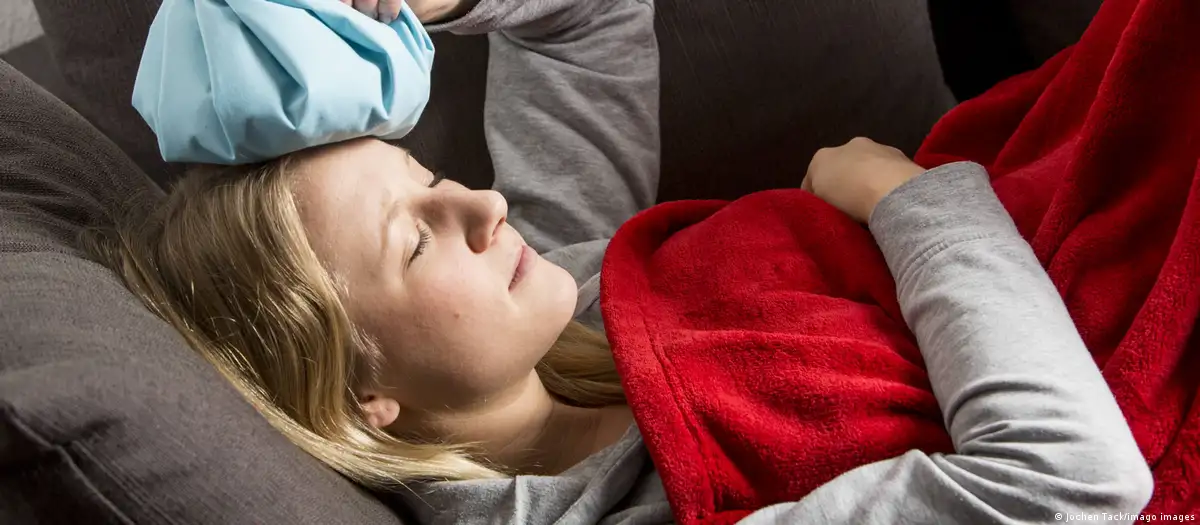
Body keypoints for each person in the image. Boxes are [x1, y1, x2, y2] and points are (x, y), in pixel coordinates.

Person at [88, 0, 1152, 523]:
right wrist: (905, 199)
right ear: (361, 394)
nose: (484, 202)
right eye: (413, 238)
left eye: (429, 176)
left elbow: (587, 19)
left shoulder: (564, 295)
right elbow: (1067, 483)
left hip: (1063, 193)